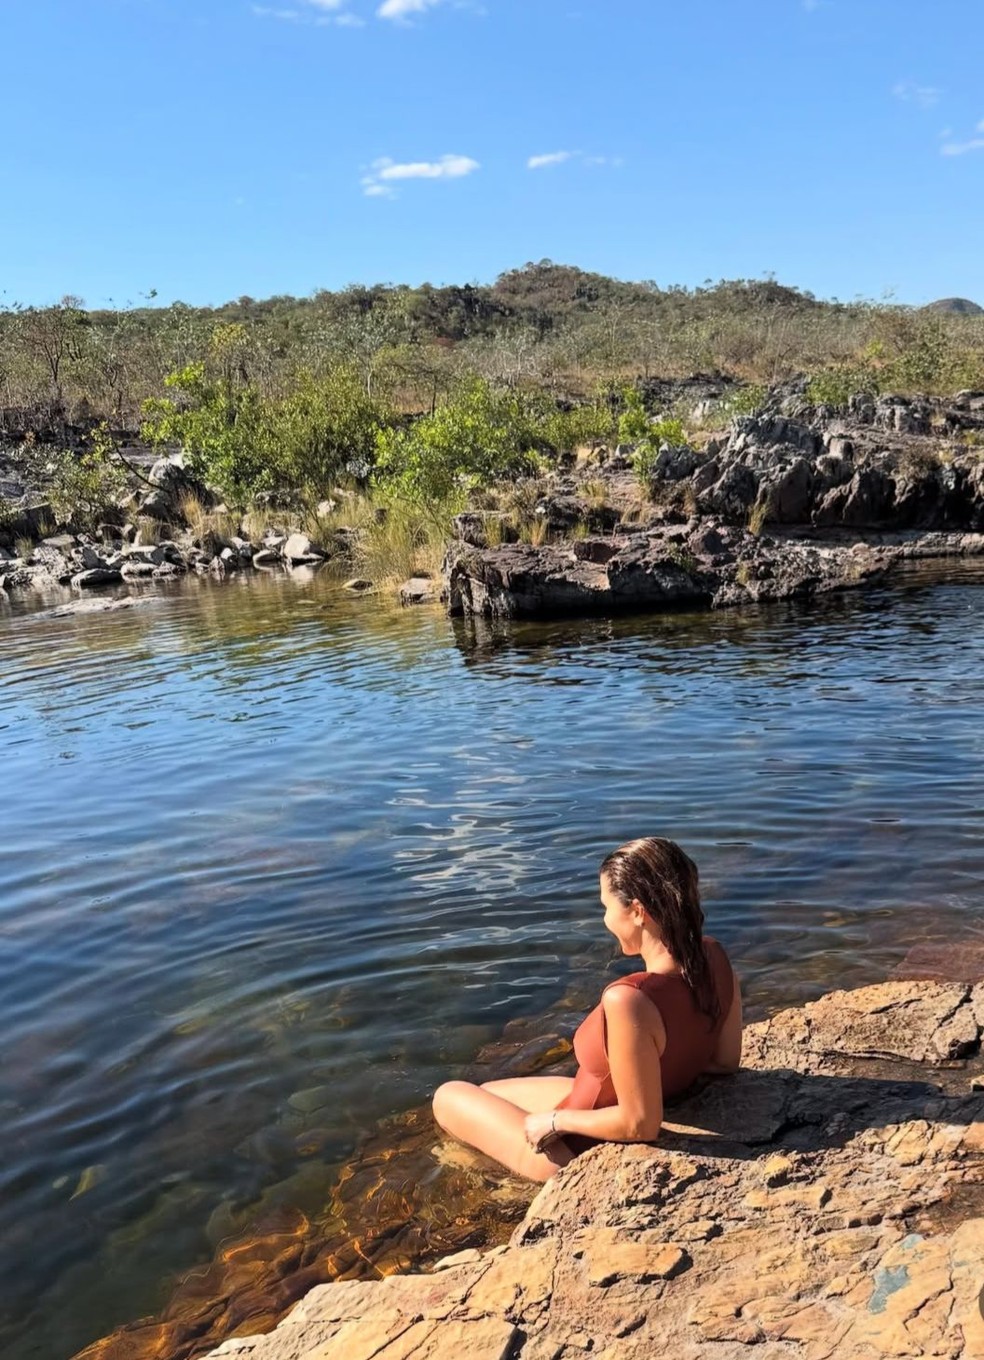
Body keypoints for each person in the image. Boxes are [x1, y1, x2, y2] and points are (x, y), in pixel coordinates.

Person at [432, 836, 743, 1183]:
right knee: (487, 1092)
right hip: (598, 1105)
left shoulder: (629, 998)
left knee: (448, 1096)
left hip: (572, 1150)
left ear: (638, 912)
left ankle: (490, 1175)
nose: (606, 919)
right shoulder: (714, 955)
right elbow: (725, 1062)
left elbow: (640, 1123)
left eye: (606, 907)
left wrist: (554, 1122)